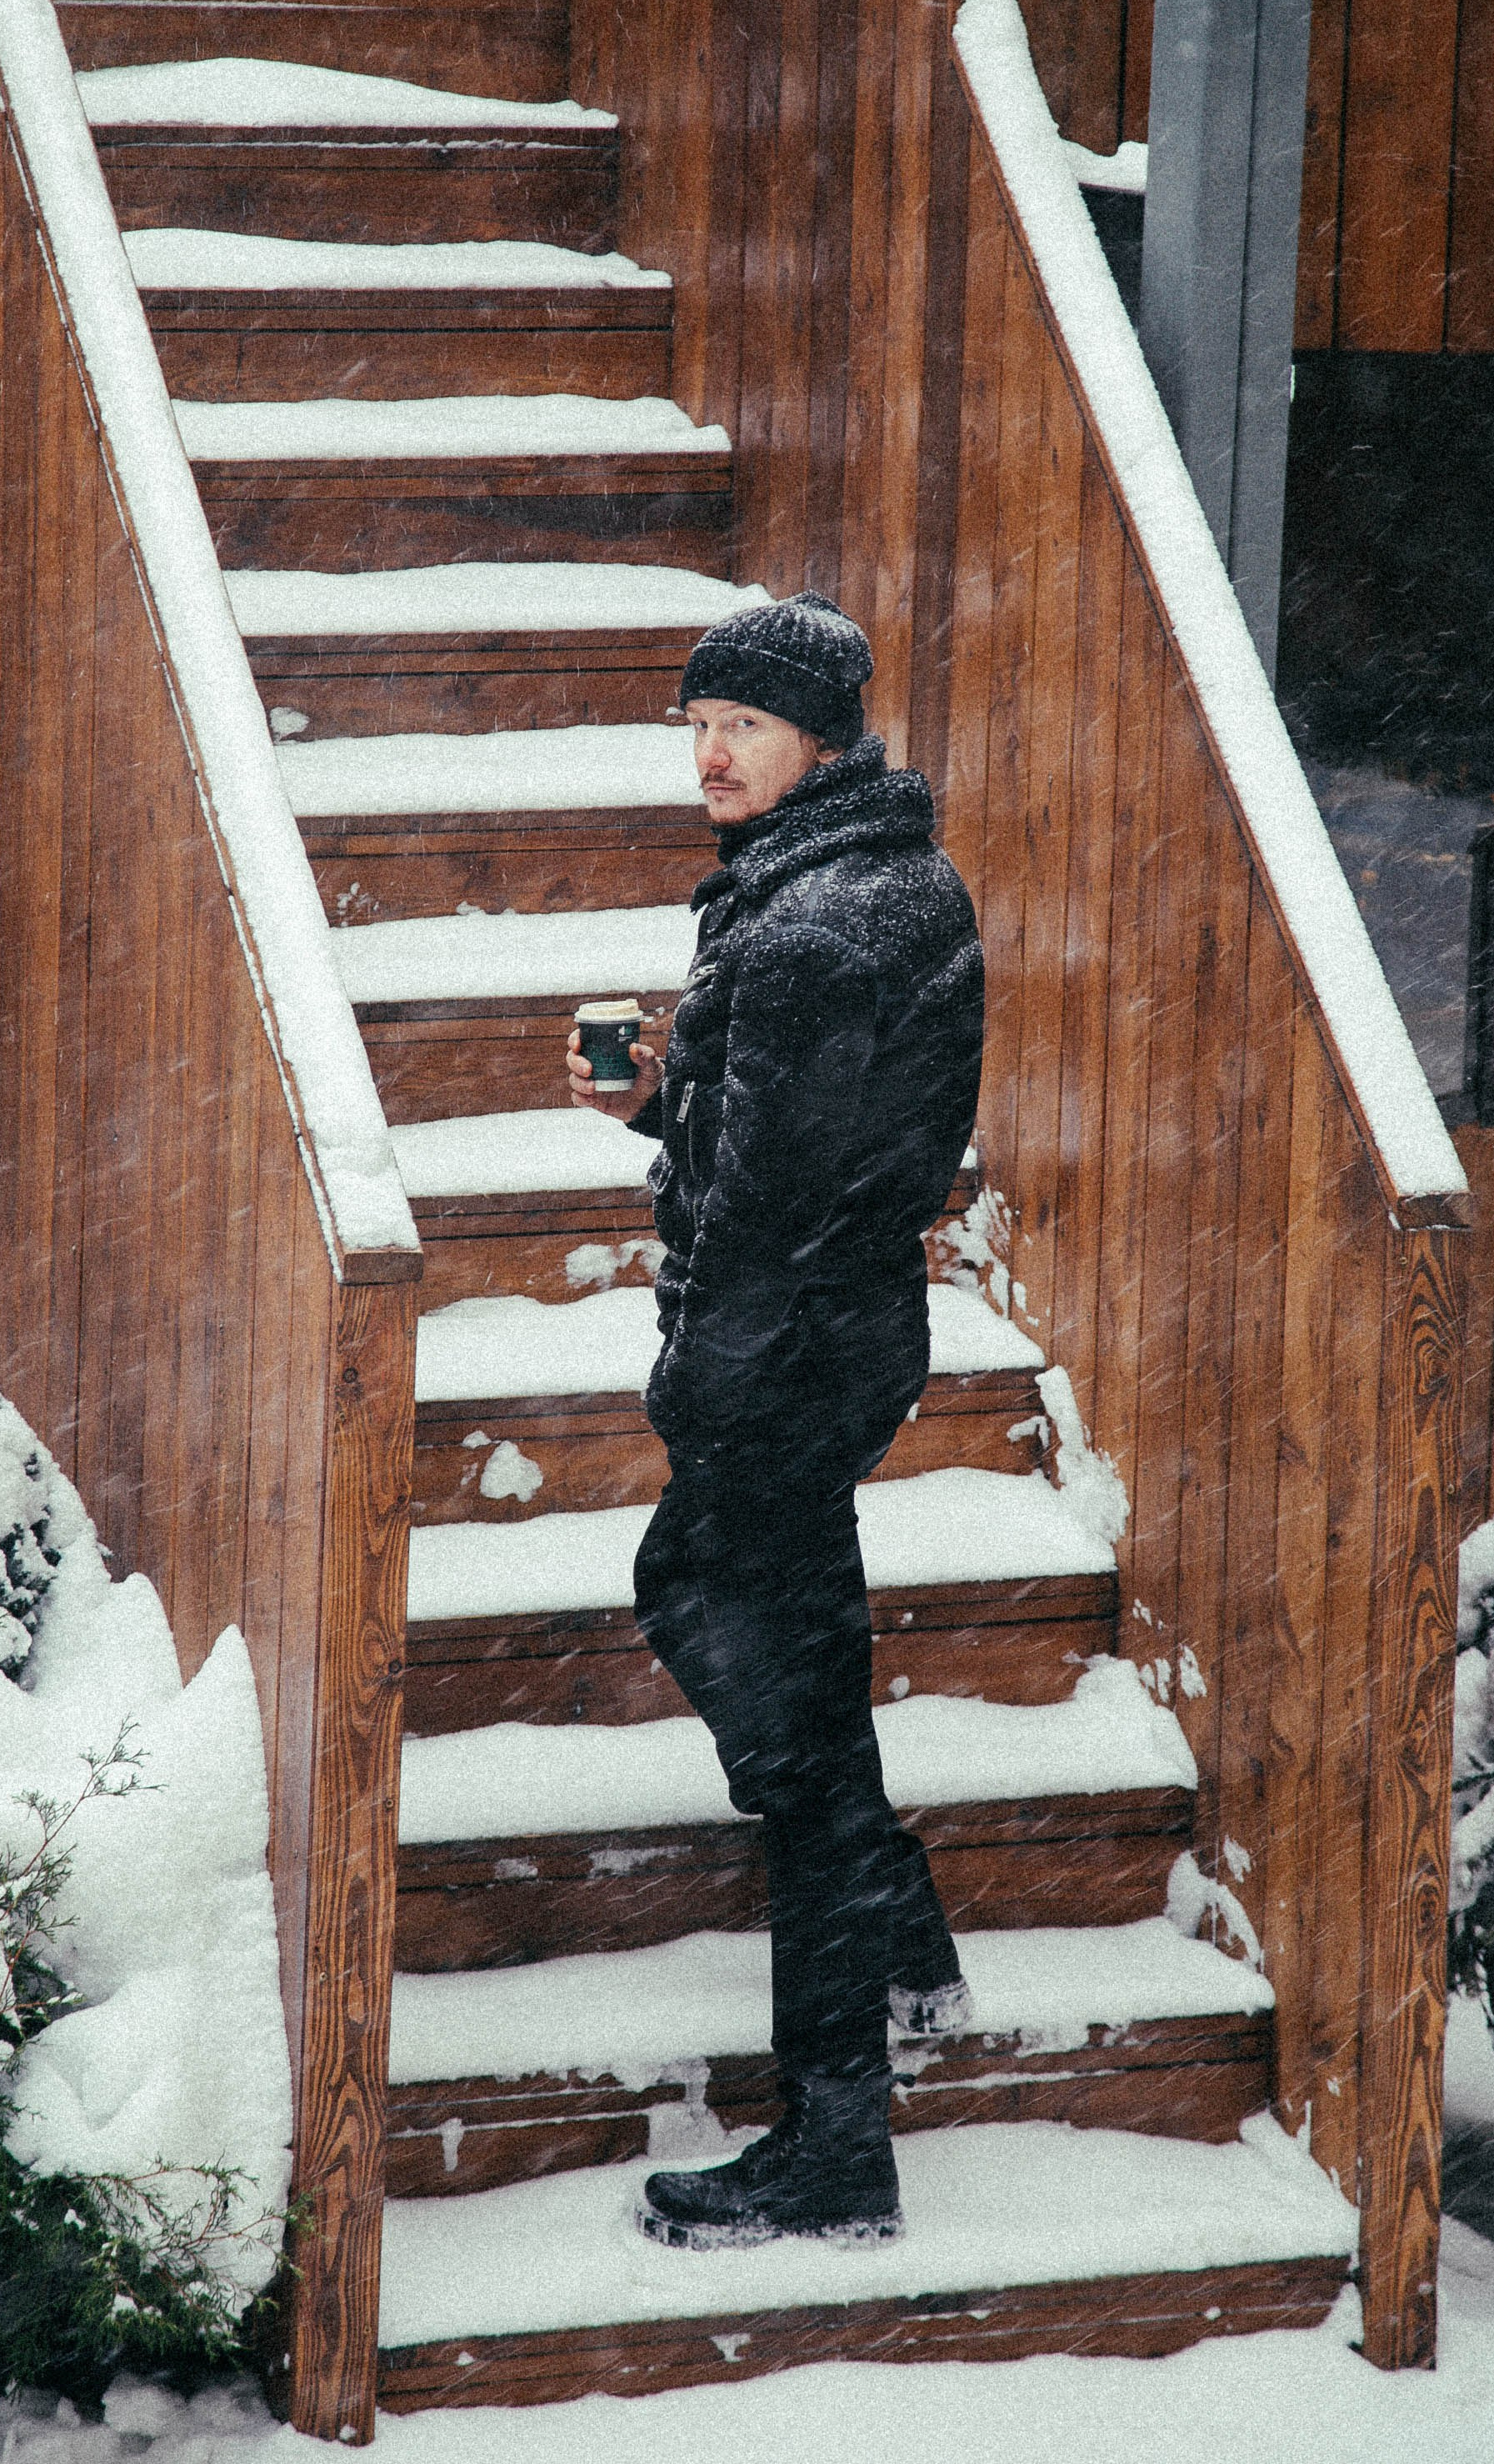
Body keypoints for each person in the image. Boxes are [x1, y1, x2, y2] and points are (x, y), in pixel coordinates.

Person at [564, 588, 986, 2252]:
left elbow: (771, 1200)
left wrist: (705, 1372)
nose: (710, 753)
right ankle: (889, 1917)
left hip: (783, 1348)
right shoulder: (883, 878)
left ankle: (833, 2136)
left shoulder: (812, 928)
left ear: (819, 741)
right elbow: (809, 1145)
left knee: (730, 1647)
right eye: (696, 724)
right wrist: (666, 1097)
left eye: (740, 725)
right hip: (844, 1331)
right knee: (804, 1662)